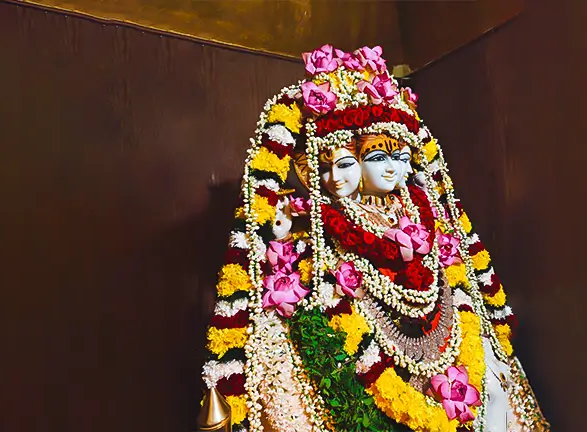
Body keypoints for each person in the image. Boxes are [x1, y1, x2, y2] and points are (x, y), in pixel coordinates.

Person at [197, 44, 549, 432]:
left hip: (444, 343)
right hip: (357, 354)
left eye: (399, 158)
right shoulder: (316, 227)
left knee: (489, 377)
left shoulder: (422, 215)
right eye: (377, 158)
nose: (393, 170)